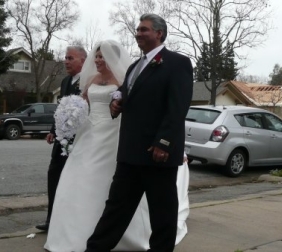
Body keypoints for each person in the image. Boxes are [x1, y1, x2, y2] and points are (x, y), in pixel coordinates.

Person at [43, 40, 190, 251]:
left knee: (118, 191)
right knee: (78, 181)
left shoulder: (126, 77)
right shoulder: (92, 79)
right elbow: (84, 104)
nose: (98, 59)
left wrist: (170, 143)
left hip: (115, 136)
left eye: (103, 56)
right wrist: (70, 115)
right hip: (90, 134)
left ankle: (120, 236)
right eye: (97, 56)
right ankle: (73, 234)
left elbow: (148, 110)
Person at [86, 14, 193, 252]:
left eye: (144, 29)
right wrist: (117, 100)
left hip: (158, 155)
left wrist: (164, 143)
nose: (138, 33)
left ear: (159, 33)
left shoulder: (178, 63)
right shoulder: (136, 66)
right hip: (130, 154)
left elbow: (177, 108)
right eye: (137, 29)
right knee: (115, 209)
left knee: (162, 216)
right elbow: (127, 91)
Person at [35, 45, 87, 231]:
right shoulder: (65, 81)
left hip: (81, 141)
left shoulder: (89, 81)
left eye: (70, 58)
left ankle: (71, 221)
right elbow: (61, 109)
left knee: (74, 181)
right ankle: (52, 221)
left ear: (83, 60)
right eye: (65, 57)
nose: (66, 61)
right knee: (54, 176)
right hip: (61, 141)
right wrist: (52, 130)